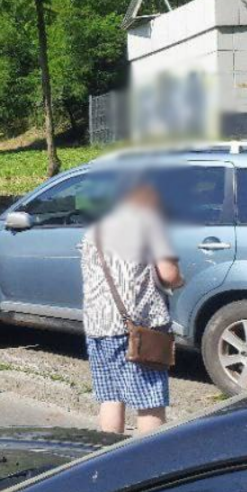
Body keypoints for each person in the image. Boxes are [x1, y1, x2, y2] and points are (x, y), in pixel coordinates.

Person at [79, 181, 184, 436]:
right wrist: (180, 280)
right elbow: (169, 275)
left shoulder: (95, 230)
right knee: (149, 401)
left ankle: (108, 454)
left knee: (111, 396)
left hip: (97, 326)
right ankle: (148, 464)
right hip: (138, 328)